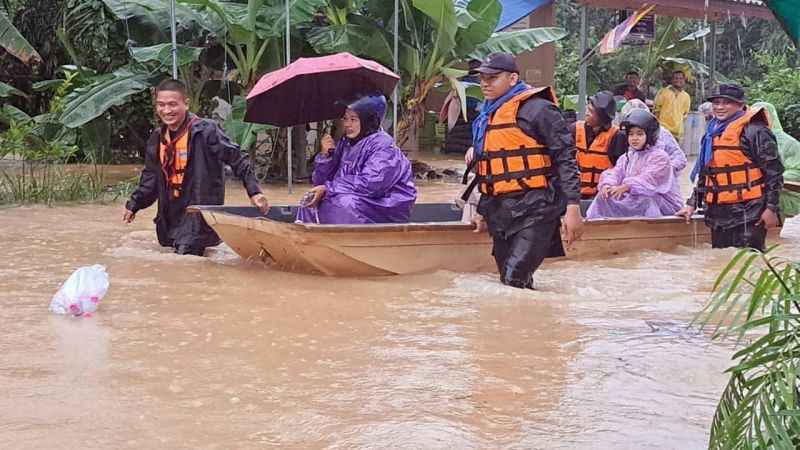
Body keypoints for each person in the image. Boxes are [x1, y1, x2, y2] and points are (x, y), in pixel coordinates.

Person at [464, 52, 583, 289]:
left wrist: (573, 208)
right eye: (482, 78)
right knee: (509, 280)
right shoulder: (487, 115)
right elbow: (489, 169)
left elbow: (566, 159)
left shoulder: (539, 110)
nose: (485, 84)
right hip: (500, 209)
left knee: (513, 279)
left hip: (537, 206)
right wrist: (481, 210)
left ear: (512, 78)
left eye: (493, 78)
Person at [123, 79, 269, 256]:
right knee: (174, 258)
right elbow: (150, 178)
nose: (167, 111)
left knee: (186, 256)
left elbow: (237, 158)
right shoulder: (157, 137)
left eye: (172, 105)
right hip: (170, 213)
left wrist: (254, 192)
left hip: (197, 212)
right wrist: (134, 204)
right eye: (161, 105)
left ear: (186, 103)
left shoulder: (207, 131)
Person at [676, 84, 784, 251]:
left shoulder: (755, 131)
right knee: (720, 263)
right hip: (718, 213)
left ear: (740, 105)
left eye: (726, 103)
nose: (719, 107)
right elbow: (707, 174)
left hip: (750, 210)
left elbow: (774, 173)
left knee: (749, 262)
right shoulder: (711, 134)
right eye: (716, 103)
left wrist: (771, 208)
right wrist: (691, 204)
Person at [296, 93, 416, 224]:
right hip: (355, 197)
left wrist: (328, 189)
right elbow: (320, 183)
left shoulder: (383, 145)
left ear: (368, 120)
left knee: (343, 203)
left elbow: (372, 184)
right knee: (309, 201)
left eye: (353, 119)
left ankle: (343, 241)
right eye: (345, 119)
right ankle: (308, 240)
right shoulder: (346, 143)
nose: (347, 124)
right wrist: (325, 156)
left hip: (385, 205)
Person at [586, 109, 683, 219]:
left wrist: (627, 186)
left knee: (644, 200)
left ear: (650, 135)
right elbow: (616, 172)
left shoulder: (660, 157)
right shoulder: (628, 156)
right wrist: (607, 185)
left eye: (639, 134)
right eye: (631, 134)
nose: (634, 138)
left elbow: (649, 180)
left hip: (665, 206)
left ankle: (645, 233)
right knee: (603, 197)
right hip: (636, 198)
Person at [575, 90, 628, 199]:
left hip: (602, 196)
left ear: (602, 116)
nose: (586, 113)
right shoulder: (575, 130)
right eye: (587, 109)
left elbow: (621, 169)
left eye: (591, 111)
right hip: (576, 194)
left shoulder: (617, 137)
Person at [620, 99, 687, 183]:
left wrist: (662, 171)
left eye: (639, 133)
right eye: (631, 132)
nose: (635, 137)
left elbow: (680, 158)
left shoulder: (662, 134)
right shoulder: (627, 138)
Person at [752, 101, 800, 218]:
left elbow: (797, 170)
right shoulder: (748, 141)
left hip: (786, 199)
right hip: (755, 201)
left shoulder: (789, 143)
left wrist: (773, 178)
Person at [653, 70, 691, 141]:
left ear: (684, 80)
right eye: (676, 78)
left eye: (681, 78)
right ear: (672, 80)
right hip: (663, 130)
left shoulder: (686, 96)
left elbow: (685, 114)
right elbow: (656, 111)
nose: (678, 80)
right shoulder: (663, 92)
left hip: (677, 133)